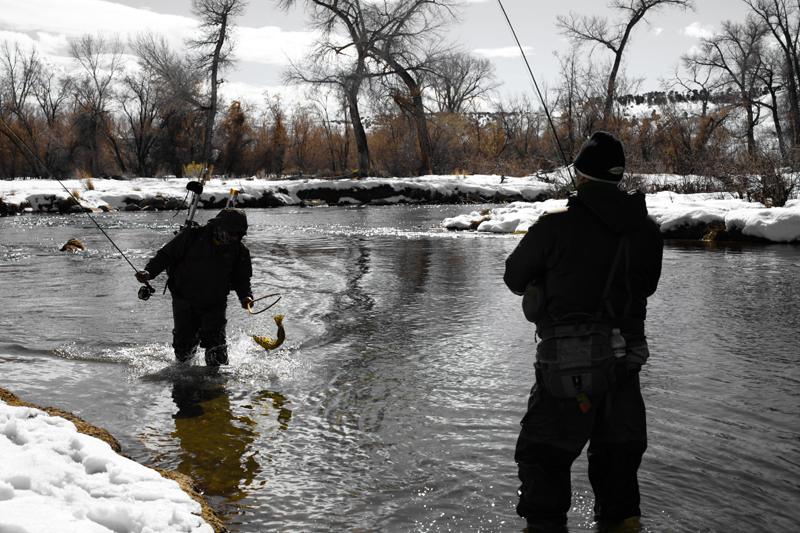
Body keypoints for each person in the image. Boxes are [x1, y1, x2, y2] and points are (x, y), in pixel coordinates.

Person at [504, 131, 663, 531]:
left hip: (567, 371)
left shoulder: (553, 226)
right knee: (619, 472)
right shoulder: (648, 231)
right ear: (619, 175)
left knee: (542, 461)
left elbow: (513, 278)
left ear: (581, 175)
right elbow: (648, 285)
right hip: (625, 365)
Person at [135, 207, 254, 367]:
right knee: (183, 350)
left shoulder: (240, 250)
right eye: (232, 234)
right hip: (184, 299)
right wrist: (149, 272)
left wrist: (245, 296)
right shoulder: (192, 236)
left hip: (215, 302)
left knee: (217, 348)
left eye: (240, 235)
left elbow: (242, 278)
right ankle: (185, 384)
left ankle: (217, 385)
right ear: (220, 227)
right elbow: (166, 255)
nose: (236, 238)